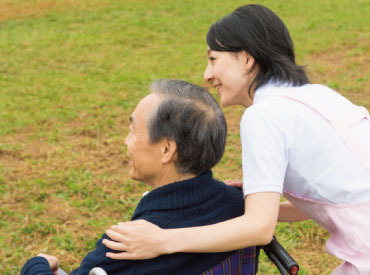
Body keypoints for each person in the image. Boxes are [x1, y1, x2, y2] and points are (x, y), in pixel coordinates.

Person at [102, 4, 370, 274]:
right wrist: (250, 202)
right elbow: (331, 197)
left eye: (213, 59)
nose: (207, 75)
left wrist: (163, 241)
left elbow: (259, 229)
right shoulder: (317, 95)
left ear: (246, 59)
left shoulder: (263, 115)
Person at [20, 79, 259, 275]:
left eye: (133, 131)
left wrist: (36, 266)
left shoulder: (126, 246)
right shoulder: (242, 212)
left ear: (166, 150)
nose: (126, 141)